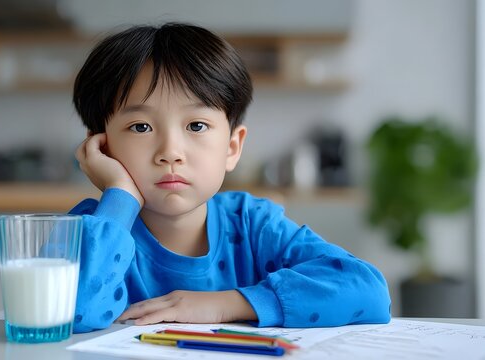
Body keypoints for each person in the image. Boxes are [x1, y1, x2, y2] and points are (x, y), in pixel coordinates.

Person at [69, 23, 391, 333]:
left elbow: (368, 289)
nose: (170, 152)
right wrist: (120, 195)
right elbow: (72, 310)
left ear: (232, 147)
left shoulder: (253, 225)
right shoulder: (92, 228)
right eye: (141, 127)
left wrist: (228, 304)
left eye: (196, 126)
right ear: (101, 146)